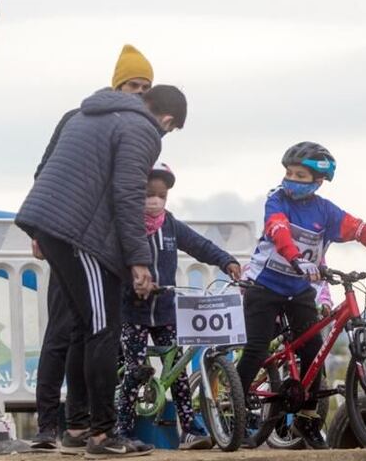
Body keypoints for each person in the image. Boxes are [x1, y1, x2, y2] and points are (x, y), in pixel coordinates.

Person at [16, 84, 187, 458]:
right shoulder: (142, 129)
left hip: (52, 226)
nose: (164, 135)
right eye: (169, 130)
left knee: (82, 327)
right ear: (167, 119)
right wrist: (139, 260)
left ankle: (76, 429)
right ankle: (102, 435)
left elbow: (49, 170)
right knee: (104, 329)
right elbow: (127, 193)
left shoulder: (86, 115)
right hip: (82, 236)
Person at [236, 142, 366, 449]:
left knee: (314, 350)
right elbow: (278, 231)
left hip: (299, 290)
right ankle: (235, 410)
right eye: (288, 172)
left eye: (299, 174)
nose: (290, 179)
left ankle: (307, 417)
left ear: (318, 181)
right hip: (264, 287)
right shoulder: (276, 201)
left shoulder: (325, 211)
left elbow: (360, 230)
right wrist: (296, 259)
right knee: (256, 348)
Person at [29, 44, 156, 453]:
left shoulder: (119, 124)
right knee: (72, 331)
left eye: (144, 86)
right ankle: (61, 426)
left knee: (87, 328)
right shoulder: (78, 118)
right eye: (133, 84)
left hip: (85, 238)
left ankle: (78, 426)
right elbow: (48, 172)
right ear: (117, 83)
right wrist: (39, 232)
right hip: (73, 236)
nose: (138, 92)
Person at [115, 162, 242, 449]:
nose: (155, 200)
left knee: (178, 374)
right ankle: (122, 430)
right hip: (132, 311)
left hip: (166, 310)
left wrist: (226, 260)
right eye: (149, 194)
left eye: (161, 196)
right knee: (135, 372)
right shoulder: (126, 225)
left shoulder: (171, 225)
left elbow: (199, 244)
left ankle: (190, 429)